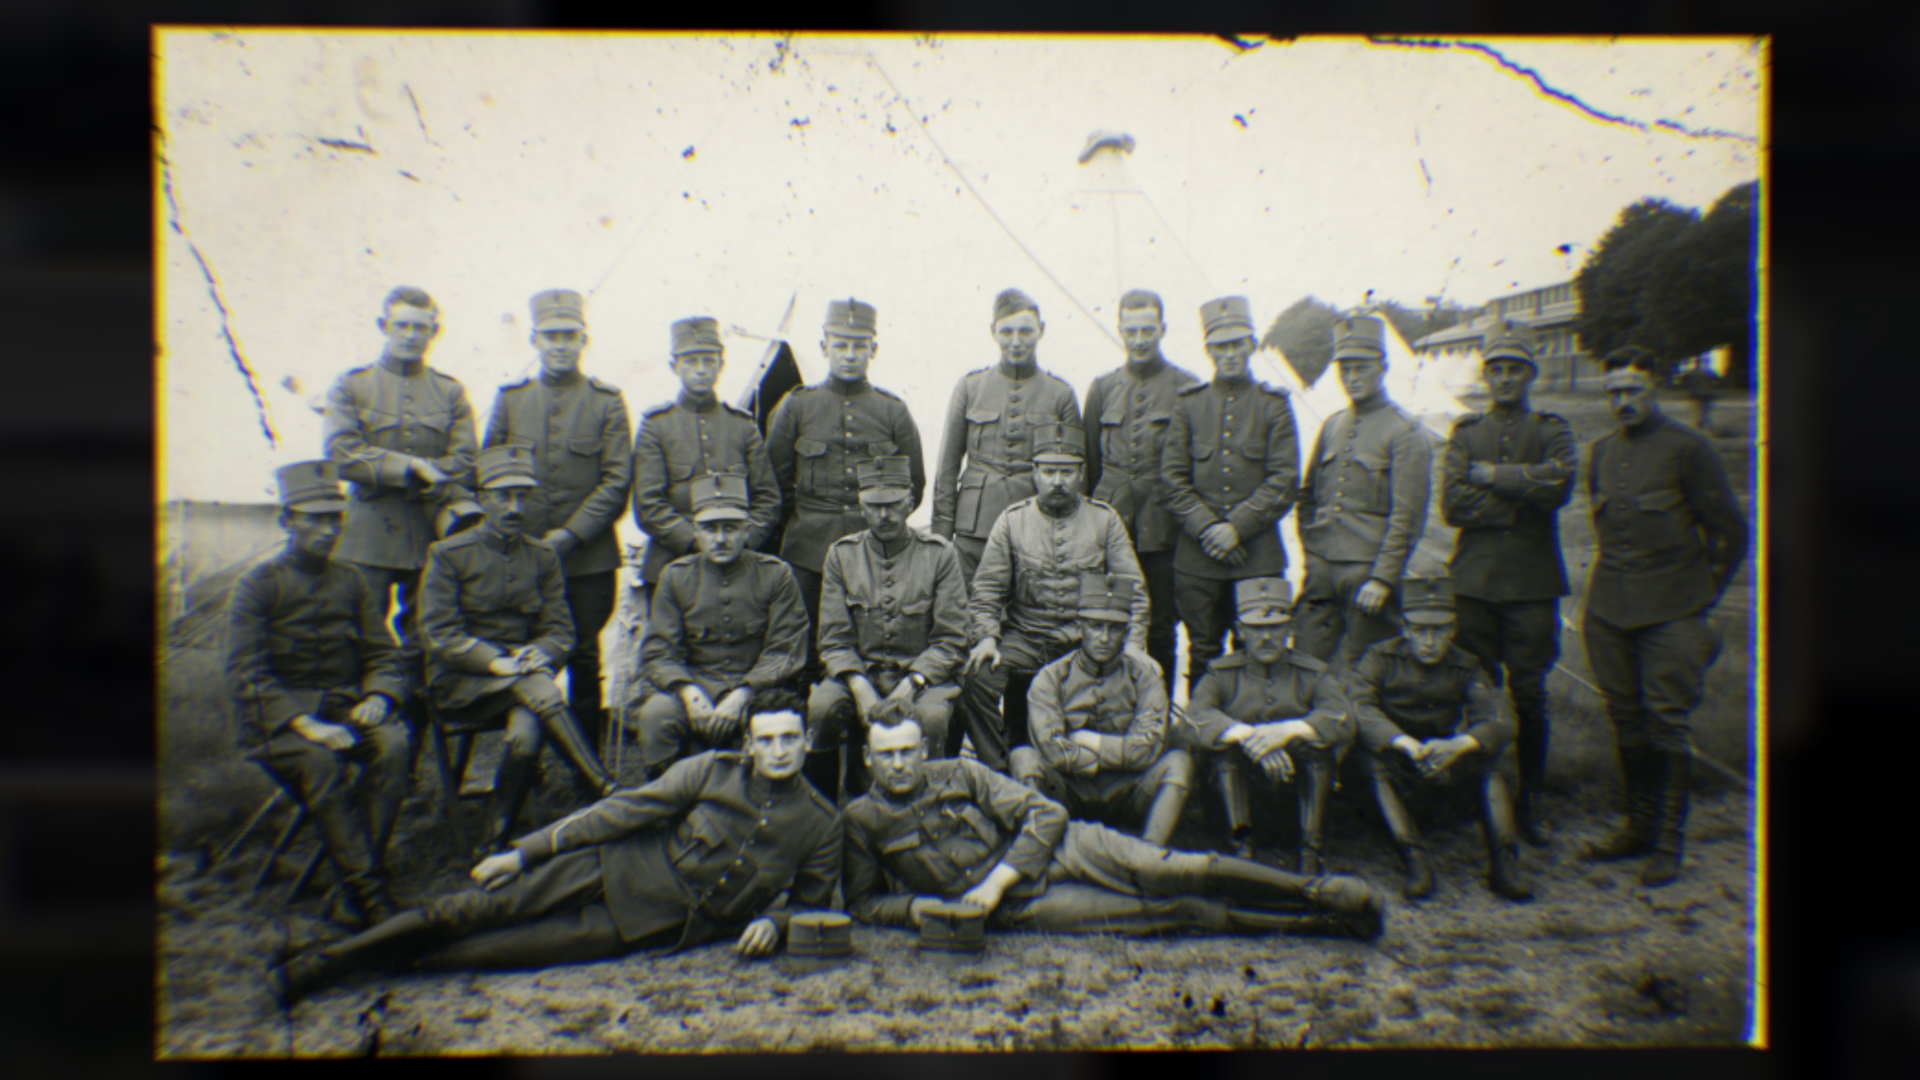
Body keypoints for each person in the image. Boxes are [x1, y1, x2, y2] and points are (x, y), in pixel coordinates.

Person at [269, 709, 843, 1006]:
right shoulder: (709, 770)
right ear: (748, 745)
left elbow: (815, 904)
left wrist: (775, 919)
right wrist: (524, 852)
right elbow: (624, 810)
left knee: (497, 951)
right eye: (766, 740)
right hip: (607, 866)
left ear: (804, 743)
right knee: (471, 910)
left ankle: (375, 958)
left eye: (789, 739)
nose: (778, 750)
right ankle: (323, 963)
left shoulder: (821, 822)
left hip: (649, 923)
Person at [844, 713, 1386, 940]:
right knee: (1168, 913)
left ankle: (1313, 890)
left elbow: (1046, 813)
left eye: (907, 751)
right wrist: (919, 908)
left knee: (1171, 868)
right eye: (885, 754)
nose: (898, 764)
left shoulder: (960, 770)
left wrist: (996, 879)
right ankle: (1315, 927)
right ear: (867, 759)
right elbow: (864, 903)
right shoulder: (861, 819)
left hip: (1060, 848)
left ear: (925, 748)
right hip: (1018, 907)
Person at [1579, 349, 1748, 887]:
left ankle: (1669, 842)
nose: (1621, 402)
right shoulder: (1602, 452)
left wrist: (1702, 598)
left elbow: (1731, 532)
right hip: (1609, 608)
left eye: (1632, 391)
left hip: (1673, 608)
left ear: (1655, 390)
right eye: (1613, 392)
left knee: (1666, 720)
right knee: (1625, 718)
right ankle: (1637, 826)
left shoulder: (1688, 448)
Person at [228, 461, 411, 927]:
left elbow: (382, 653)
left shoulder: (351, 581)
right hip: (280, 725)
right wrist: (309, 726)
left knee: (394, 744)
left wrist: (380, 697)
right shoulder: (258, 586)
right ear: (287, 520)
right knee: (322, 764)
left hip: (344, 712)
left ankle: (353, 884)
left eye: (336, 518)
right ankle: (368, 894)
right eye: (317, 518)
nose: (330, 530)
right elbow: (247, 674)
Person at [418, 446, 619, 854]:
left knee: (526, 735)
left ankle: (496, 837)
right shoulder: (448, 555)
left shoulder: (542, 555)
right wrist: (497, 663)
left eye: (523, 496)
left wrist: (544, 653)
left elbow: (561, 628)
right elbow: (440, 633)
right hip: (463, 684)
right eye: (504, 496)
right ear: (482, 497)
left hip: (523, 684)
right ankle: (604, 788)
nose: (515, 507)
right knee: (538, 690)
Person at [1440, 320, 1576, 846]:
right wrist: (1522, 491)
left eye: (1513, 369)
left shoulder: (1550, 428)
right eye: (1495, 369)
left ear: (1530, 373)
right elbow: (1453, 505)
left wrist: (1492, 478)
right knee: (1477, 694)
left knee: (1530, 694)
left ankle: (1531, 800)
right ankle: (1477, 795)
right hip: (1473, 583)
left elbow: (1558, 486)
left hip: (1531, 585)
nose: (1503, 378)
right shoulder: (1465, 432)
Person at [483, 289, 634, 750]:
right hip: (522, 558)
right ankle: (524, 753)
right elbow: (487, 473)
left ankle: (589, 763)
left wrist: (569, 536)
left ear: (584, 338)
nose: (561, 345)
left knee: (586, 655)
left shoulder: (606, 402)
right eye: (551, 336)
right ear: (534, 339)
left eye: (569, 335)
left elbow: (616, 481)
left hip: (588, 559)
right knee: (526, 651)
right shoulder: (511, 401)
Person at [323, 285, 479, 716]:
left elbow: (465, 460)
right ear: (383, 327)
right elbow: (341, 453)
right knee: (359, 637)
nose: (412, 335)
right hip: (368, 536)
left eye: (421, 328)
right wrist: (412, 467)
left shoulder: (449, 393)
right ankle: (359, 738)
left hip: (430, 535)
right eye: (402, 325)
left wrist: (426, 472)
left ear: (435, 332)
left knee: (425, 642)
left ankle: (414, 747)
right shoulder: (352, 386)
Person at [957, 422, 1148, 771]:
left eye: (1067, 471)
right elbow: (986, 591)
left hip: (1084, 640)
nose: (1057, 480)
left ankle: (1087, 766)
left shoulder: (1105, 521)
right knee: (976, 676)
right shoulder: (1012, 521)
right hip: (1026, 639)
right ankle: (1001, 768)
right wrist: (985, 637)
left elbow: (1132, 593)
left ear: (1081, 474)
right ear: (1034, 473)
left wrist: (1134, 643)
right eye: (1048, 471)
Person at [766, 298, 926, 679]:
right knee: (804, 648)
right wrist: (804, 525)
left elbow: (914, 486)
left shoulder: (892, 412)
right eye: (840, 344)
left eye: (859, 345)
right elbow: (776, 484)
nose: (850, 355)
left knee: (868, 647)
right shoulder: (797, 407)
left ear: (873, 349)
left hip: (873, 552)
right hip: (808, 552)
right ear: (824, 347)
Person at [1351, 576, 1532, 902]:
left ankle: (1504, 862)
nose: (1430, 641)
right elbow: (1359, 707)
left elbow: (1500, 720)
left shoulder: (1466, 664)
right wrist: (1404, 743)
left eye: (1439, 630)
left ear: (1452, 630)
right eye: (1420, 630)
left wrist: (1459, 745)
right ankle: (1414, 858)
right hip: (1397, 758)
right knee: (1368, 759)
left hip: (1445, 756)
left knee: (1493, 760)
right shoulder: (1379, 657)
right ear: (1405, 628)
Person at [805, 457, 969, 802]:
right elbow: (833, 640)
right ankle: (822, 807)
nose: (885, 516)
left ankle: (930, 804)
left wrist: (912, 684)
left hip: (923, 678)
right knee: (821, 709)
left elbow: (951, 639)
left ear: (910, 502)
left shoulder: (940, 555)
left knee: (932, 718)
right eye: (875, 506)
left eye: (893, 505)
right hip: (858, 674)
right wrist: (860, 687)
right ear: (861, 507)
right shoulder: (841, 556)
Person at [1161, 295, 1302, 692]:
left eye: (1237, 343)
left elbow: (1283, 479)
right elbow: (1172, 478)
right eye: (1220, 346)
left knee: (1256, 651)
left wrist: (1236, 528)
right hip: (1197, 557)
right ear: (1208, 350)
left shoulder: (1273, 405)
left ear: (1251, 345)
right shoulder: (1190, 405)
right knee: (1203, 651)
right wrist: (1210, 528)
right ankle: (1203, 737)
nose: (1229, 353)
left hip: (1256, 557)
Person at [633, 475, 810, 779]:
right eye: (710, 528)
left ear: (747, 530)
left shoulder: (776, 575)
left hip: (757, 690)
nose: (720, 538)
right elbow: (660, 651)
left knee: (774, 723)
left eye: (731, 527)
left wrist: (744, 692)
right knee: (656, 714)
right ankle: (668, 803)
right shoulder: (675, 577)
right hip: (694, 687)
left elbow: (785, 650)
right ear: (696, 531)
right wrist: (687, 691)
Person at [1177, 577, 1352, 873]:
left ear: (1291, 627)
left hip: (1292, 798)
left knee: (1317, 748)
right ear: (1240, 630)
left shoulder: (1311, 673)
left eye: (1275, 626)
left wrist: (1286, 732)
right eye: (1256, 628)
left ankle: (1311, 849)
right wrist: (1248, 736)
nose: (1266, 636)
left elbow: (1343, 718)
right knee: (1224, 748)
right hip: (1238, 796)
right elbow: (1193, 717)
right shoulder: (1222, 673)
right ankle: (1241, 848)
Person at [1010, 574, 1191, 847]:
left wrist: (1089, 741)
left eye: (1115, 628)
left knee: (1179, 762)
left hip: (1128, 792)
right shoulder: (1051, 678)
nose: (1104, 637)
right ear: (1081, 627)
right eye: (1095, 626)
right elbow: (1051, 750)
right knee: (1023, 757)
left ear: (1126, 631)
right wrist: (1108, 757)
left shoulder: (1146, 679)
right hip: (1069, 792)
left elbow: (1148, 750)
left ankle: (1150, 852)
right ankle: (1040, 845)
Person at [1294, 313, 1433, 671]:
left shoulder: (1405, 433)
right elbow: (1307, 496)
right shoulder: (1332, 425)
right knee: (1305, 667)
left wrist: (1382, 578)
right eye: (1345, 370)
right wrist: (1311, 553)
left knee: (1367, 674)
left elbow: (1407, 517)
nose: (1351, 378)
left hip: (1367, 578)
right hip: (1321, 573)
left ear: (1383, 367)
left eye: (1361, 368)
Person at [1082, 289, 1203, 691]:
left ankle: (1159, 718)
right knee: (1104, 620)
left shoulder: (1187, 387)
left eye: (1147, 330)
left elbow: (1192, 466)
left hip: (1163, 530)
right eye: (1130, 330)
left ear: (1162, 329)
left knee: (1160, 628)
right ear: (1119, 330)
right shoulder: (1102, 389)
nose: (1138, 339)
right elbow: (1091, 464)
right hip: (1110, 527)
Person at [931, 288, 1082, 582]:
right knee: (970, 613)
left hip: (1036, 526)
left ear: (1041, 331)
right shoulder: (969, 388)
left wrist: (1066, 534)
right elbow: (947, 468)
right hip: (973, 531)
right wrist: (941, 536)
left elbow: (1076, 473)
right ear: (993, 332)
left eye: (1025, 331)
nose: (1015, 342)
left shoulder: (1060, 394)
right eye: (1006, 332)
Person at [630, 315, 780, 591]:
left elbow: (768, 497)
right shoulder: (656, 426)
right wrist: (697, 541)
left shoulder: (742, 425)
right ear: (674, 366)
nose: (701, 370)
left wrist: (741, 541)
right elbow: (648, 505)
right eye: (691, 361)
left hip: (736, 563)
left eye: (709, 361)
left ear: (721, 365)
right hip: (673, 564)